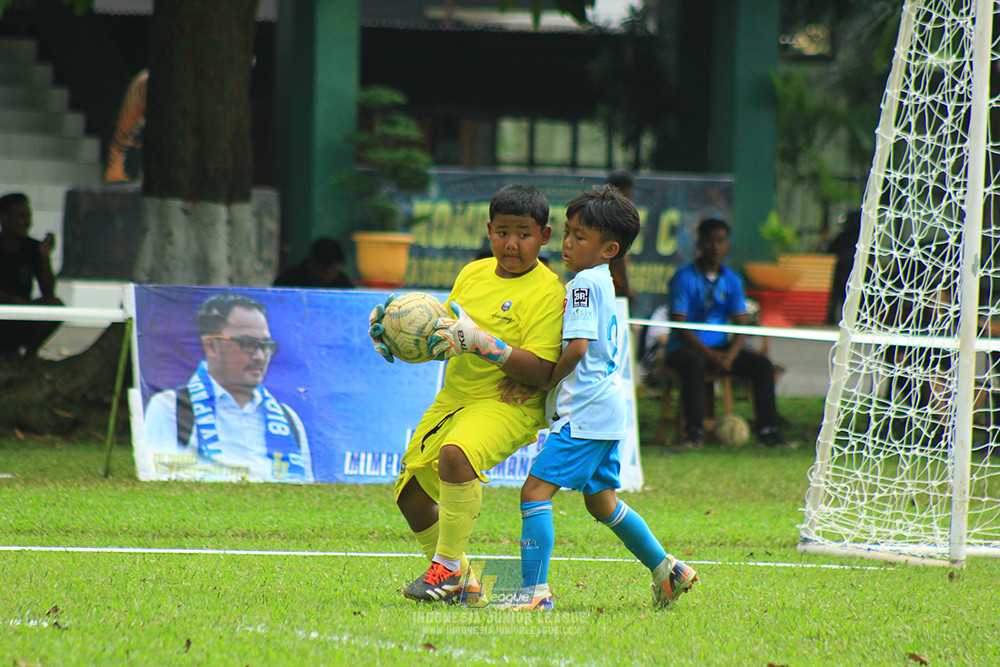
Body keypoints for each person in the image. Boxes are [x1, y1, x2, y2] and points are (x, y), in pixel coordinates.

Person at [368, 183, 565, 603]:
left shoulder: (550, 291)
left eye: (524, 234)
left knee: (456, 455)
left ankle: (448, 570)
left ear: (545, 236)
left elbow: (543, 371)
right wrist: (401, 338)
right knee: (411, 496)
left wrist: (486, 344)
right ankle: (468, 583)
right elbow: (446, 341)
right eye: (503, 232)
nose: (512, 244)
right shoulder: (472, 274)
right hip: (455, 398)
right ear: (488, 229)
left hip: (508, 402)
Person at [513, 185, 698, 611]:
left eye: (580, 236)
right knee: (601, 502)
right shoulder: (605, 283)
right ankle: (667, 570)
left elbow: (577, 348)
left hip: (585, 411)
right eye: (568, 231)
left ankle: (533, 594)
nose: (567, 242)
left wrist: (545, 381)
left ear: (609, 247)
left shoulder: (580, 285)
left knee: (534, 493)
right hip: (609, 411)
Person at [143, 292, 312, 482]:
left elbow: (305, 490)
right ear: (211, 347)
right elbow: (157, 480)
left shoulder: (287, 418)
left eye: (266, 345)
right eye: (248, 344)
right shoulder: (171, 408)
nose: (260, 357)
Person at [663, 217, 792, 449]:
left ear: (727, 244)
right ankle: (693, 434)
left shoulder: (732, 279)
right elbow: (679, 326)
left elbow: (741, 323)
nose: (715, 246)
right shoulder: (683, 277)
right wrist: (709, 355)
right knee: (693, 363)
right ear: (699, 244)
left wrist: (731, 355)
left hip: (722, 349)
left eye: (720, 240)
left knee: (762, 365)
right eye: (710, 240)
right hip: (685, 348)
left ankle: (768, 432)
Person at [0, 192, 64, 358]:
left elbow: (48, 293)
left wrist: (45, 257)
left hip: (22, 315)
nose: (27, 222)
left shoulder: (33, 248)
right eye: (21, 216)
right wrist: (13, 300)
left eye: (28, 216)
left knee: (55, 305)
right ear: (4, 218)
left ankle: (30, 355)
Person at [825, 210, 861, 325]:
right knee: (840, 296)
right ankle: (834, 319)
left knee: (845, 296)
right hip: (842, 269)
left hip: (851, 270)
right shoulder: (844, 237)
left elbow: (830, 251)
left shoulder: (861, 239)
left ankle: (852, 319)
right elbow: (830, 251)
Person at [273, 237, 353, 288]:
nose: (329, 277)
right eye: (326, 272)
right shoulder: (288, 282)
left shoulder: (342, 284)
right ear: (312, 263)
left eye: (335, 271)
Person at [606, 168, 637, 302]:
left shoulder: (598, 212)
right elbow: (618, 256)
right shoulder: (616, 216)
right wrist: (625, 287)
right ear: (625, 189)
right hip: (612, 287)